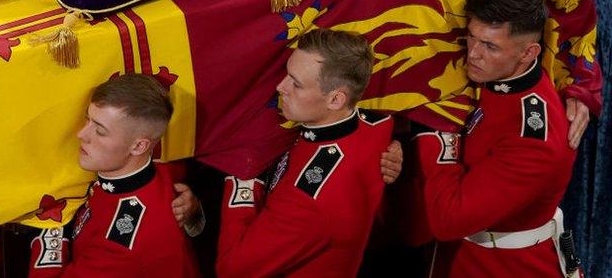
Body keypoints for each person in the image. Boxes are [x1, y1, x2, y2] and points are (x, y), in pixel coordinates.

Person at [412, 0, 581, 276]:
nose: (473, 54)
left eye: (489, 45)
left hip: (505, 266)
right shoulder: (504, 76)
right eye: (472, 38)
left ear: (528, 53)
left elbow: (449, 220)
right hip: (465, 254)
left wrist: (436, 130)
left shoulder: (534, 142)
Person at [215, 28, 395, 277]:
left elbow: (232, 269)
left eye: (296, 84)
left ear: (335, 100)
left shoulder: (308, 200)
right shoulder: (378, 125)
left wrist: (242, 174)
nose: (280, 87)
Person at [26, 73, 201, 277]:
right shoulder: (165, 171)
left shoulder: (119, 246)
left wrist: (49, 222)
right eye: (88, 120)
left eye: (100, 131)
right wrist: (194, 210)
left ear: (138, 146)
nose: (81, 134)